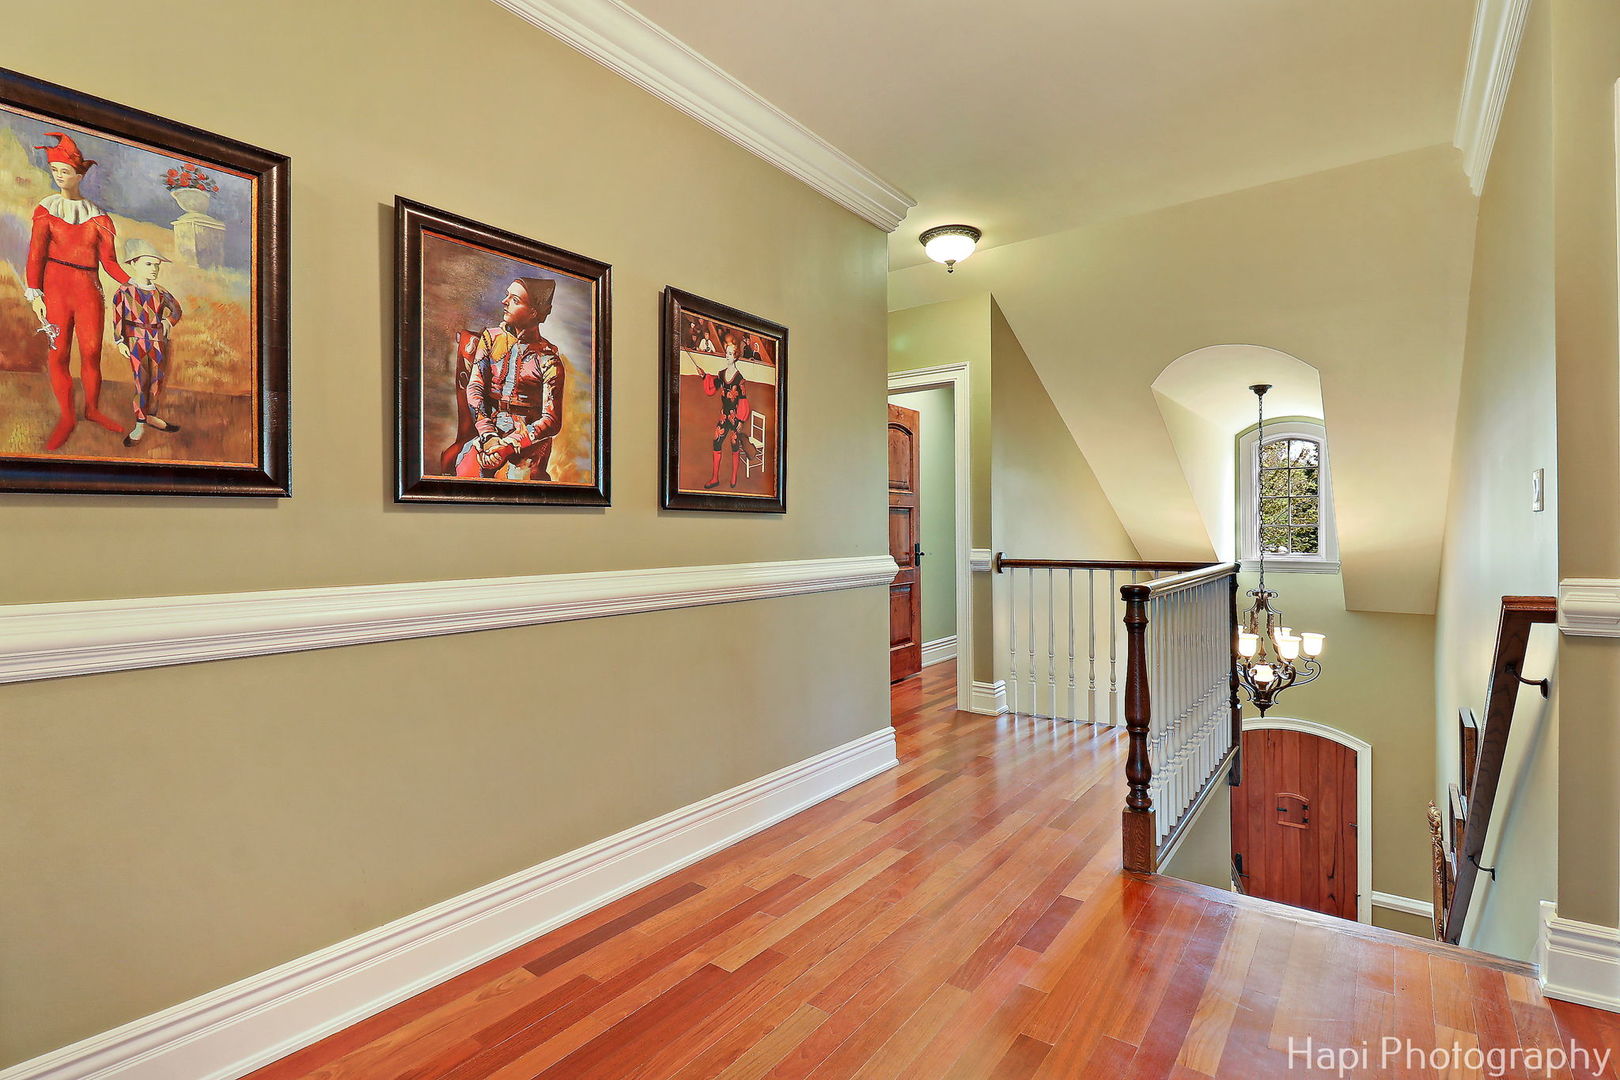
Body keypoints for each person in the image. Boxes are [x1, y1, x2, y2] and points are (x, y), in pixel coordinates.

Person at [24, 132, 130, 450]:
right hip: (55, 289)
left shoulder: (99, 219)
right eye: (55, 171)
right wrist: (35, 295)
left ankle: (92, 409)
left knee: (92, 353)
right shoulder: (46, 210)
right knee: (59, 356)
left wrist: (132, 282)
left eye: (65, 171)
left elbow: (110, 263)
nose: (59, 177)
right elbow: (35, 256)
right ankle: (68, 417)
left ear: (80, 175)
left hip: (89, 290)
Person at [455, 277, 565, 481]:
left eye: (514, 299)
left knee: (518, 480)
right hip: (489, 433)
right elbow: (475, 388)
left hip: (528, 444)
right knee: (465, 471)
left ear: (533, 311)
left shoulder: (549, 358)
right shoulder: (490, 338)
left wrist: (508, 446)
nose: (504, 301)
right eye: (507, 296)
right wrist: (488, 435)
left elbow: (552, 420)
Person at [111, 238, 184, 447]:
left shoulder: (160, 291)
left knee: (157, 380)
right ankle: (140, 422)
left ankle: (151, 415)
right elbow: (118, 319)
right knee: (141, 381)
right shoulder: (124, 291)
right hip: (135, 340)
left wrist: (168, 320)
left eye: (157, 265)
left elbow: (177, 310)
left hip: (158, 340)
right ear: (133, 264)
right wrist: (120, 341)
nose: (154, 269)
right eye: (148, 264)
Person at [702, 336, 750, 490]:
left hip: (735, 418)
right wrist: (704, 376)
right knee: (716, 442)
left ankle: (734, 476)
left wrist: (741, 421)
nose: (727, 356)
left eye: (730, 354)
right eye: (726, 353)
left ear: (735, 357)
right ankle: (715, 478)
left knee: (734, 445)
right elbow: (713, 387)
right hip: (724, 415)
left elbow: (743, 400)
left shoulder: (740, 379)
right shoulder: (721, 374)